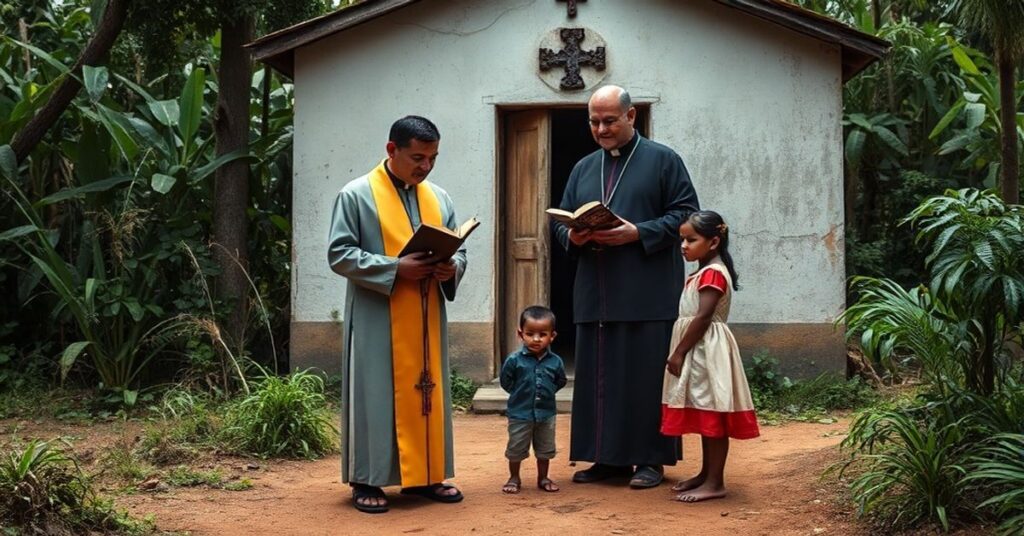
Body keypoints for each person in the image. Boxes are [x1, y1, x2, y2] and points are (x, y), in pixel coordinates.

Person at [554, 85, 700, 488]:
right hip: (595, 292)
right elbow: (559, 222)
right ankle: (607, 459)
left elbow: (687, 215)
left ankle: (651, 459)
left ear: (631, 117)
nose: (601, 129)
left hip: (646, 290)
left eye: (609, 121)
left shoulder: (663, 160)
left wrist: (639, 232)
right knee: (599, 379)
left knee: (644, 379)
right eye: (594, 122)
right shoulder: (584, 167)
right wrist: (574, 237)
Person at [327, 115, 467, 514]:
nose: (425, 167)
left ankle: (426, 476)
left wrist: (451, 268)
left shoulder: (438, 198)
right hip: (377, 313)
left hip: (426, 313)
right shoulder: (355, 195)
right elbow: (339, 253)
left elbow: (460, 248)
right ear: (392, 150)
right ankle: (367, 478)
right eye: (418, 157)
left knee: (427, 391)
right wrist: (394, 268)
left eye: (433, 158)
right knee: (376, 393)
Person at [662, 210, 760, 503]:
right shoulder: (704, 271)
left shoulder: (714, 274)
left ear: (714, 241)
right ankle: (706, 474)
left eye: (691, 240)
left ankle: (715, 482)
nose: (684, 246)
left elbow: (704, 317)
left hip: (707, 349)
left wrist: (679, 352)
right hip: (700, 349)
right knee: (706, 412)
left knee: (712, 412)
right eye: (682, 240)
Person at [499, 306, 568, 494]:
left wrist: (549, 391)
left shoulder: (555, 361)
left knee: (545, 449)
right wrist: (519, 393)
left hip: (546, 414)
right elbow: (506, 381)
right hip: (519, 414)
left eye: (542, 334)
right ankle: (514, 478)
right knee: (516, 448)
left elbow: (560, 380)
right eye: (530, 334)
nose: (536, 339)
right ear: (521, 334)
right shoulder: (514, 360)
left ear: (552, 336)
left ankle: (543, 478)